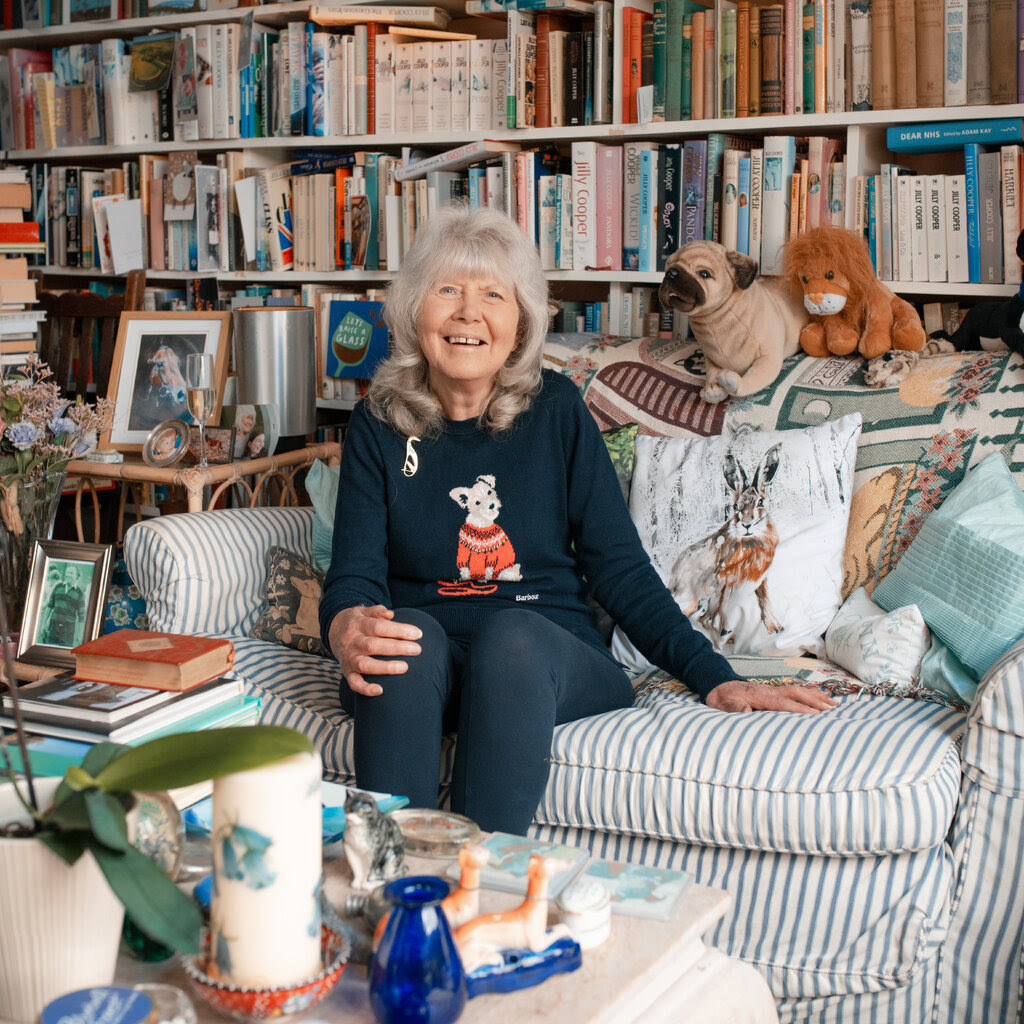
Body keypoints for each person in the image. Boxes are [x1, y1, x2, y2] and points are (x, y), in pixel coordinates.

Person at [319, 205, 835, 836]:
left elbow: (616, 565)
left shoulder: (556, 409)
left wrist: (712, 675)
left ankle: (482, 888)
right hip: (430, 664)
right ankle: (394, 887)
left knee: (511, 637)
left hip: (543, 657)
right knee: (403, 643)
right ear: (413, 310)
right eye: (447, 290)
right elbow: (355, 579)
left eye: (492, 295)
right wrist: (347, 625)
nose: (467, 314)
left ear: (521, 322)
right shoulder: (378, 420)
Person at [40, 564, 86, 647]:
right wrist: (43, 625)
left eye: (71, 573)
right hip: (53, 626)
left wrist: (80, 635)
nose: (68, 575)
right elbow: (49, 606)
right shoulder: (57, 587)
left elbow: (81, 617)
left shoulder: (80, 593)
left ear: (77, 576)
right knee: (50, 651)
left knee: (63, 653)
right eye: (67, 572)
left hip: (68, 630)